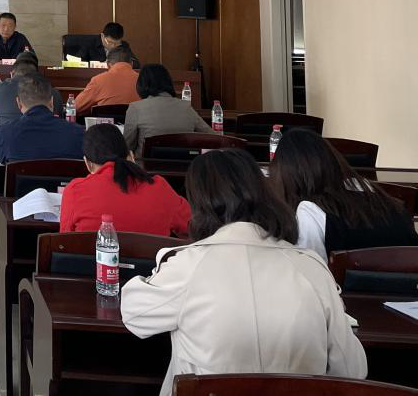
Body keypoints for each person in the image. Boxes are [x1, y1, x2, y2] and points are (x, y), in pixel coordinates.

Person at [121, 149, 367, 396]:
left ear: (199, 203)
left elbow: (135, 315)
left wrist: (161, 265)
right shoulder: (311, 267)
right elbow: (352, 370)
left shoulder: (187, 266)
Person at [271, 128, 418, 260]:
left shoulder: (310, 213)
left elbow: (310, 274)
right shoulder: (379, 197)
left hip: (340, 282)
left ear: (286, 175)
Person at [59, 124, 190, 236]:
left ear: (88, 164)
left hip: (93, 259)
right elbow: (193, 227)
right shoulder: (160, 188)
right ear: (130, 156)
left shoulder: (75, 191)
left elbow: (64, 241)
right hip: (153, 259)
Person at [122, 64, 211, 154]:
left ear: (141, 84)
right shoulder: (186, 107)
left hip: (145, 162)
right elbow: (212, 136)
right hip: (183, 162)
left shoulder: (135, 108)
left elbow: (126, 146)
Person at [0, 76, 84, 163]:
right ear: (52, 102)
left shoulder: (6, 133)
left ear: (19, 103)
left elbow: (1, 159)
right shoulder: (77, 133)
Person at [73, 48, 141, 115]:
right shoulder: (142, 80)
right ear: (132, 63)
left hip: (107, 122)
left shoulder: (98, 80)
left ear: (108, 64)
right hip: (136, 122)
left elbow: (75, 107)